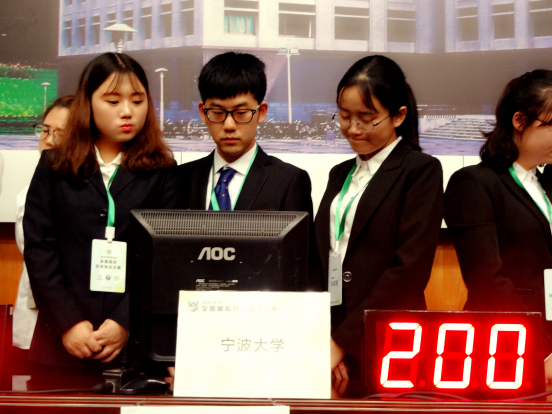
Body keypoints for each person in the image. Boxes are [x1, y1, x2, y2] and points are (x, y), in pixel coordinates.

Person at [23, 52, 178, 368]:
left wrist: (124, 321)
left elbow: (165, 258)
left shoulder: (163, 171)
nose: (127, 111)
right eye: (113, 101)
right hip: (60, 343)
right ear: (88, 103)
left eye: (137, 101)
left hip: (133, 345)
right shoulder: (54, 166)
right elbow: (39, 249)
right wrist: (68, 322)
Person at [312, 55, 443, 382]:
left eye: (367, 118)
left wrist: (343, 342)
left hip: (391, 340)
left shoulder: (420, 171)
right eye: (345, 116)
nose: (353, 129)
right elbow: (323, 256)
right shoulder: (339, 173)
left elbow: (409, 271)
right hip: (330, 335)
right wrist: (325, 337)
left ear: (398, 115)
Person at [444, 70, 552, 380]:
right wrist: (540, 352)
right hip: (504, 347)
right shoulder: (474, 183)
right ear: (519, 121)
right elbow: (487, 279)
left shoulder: (546, 184)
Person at [177, 52, 313, 217]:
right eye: (217, 112)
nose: (229, 125)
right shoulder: (179, 179)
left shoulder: (288, 181)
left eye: (241, 113)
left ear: (261, 112)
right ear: (203, 113)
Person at [13, 95, 74, 351]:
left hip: (74, 318)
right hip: (34, 313)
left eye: (60, 133)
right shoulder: (29, 191)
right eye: (45, 130)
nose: (48, 140)